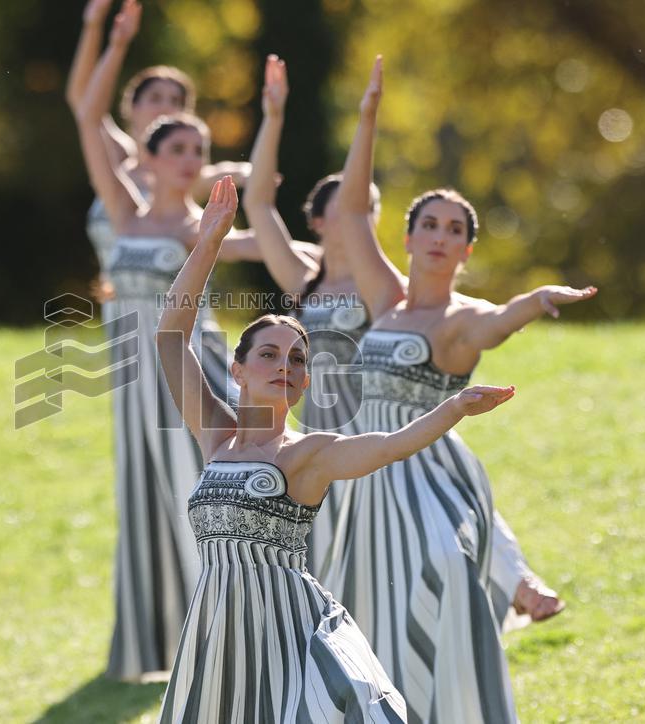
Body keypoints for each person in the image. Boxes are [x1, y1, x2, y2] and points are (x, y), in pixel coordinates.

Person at [156, 176, 517, 722]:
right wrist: (209, 244)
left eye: (297, 360)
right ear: (238, 370)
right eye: (269, 355)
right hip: (217, 631)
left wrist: (453, 408)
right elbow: (169, 337)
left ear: (305, 383)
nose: (284, 365)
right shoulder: (215, 436)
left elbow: (390, 445)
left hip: (289, 635)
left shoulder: (308, 454)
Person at [242, 54, 565, 632]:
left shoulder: (384, 287)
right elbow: (259, 204)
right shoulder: (303, 279)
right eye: (348, 210)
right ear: (320, 222)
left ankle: (513, 581)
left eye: (369, 210)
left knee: (442, 490)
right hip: (318, 431)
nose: (360, 218)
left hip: (380, 424)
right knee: (337, 566)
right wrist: (272, 116)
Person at [330, 56, 597, 722]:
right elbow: (350, 212)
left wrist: (536, 299)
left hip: (425, 477)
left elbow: (499, 321)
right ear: (409, 237)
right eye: (431, 224)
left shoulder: (462, 320)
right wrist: (367, 117)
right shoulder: (386, 299)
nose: (441, 237)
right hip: (362, 477)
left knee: (443, 574)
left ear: (467, 251)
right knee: (363, 612)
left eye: (456, 230)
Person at [74, 0, 264, 681]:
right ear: (147, 158)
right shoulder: (125, 214)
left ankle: (229, 629)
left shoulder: (195, 227)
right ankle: (156, 645)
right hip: (131, 370)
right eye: (176, 150)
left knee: (200, 486)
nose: (188, 161)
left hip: (188, 366)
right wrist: (111, 37)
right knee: (143, 493)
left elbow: (259, 243)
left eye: (196, 152)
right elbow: (87, 116)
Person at [66, 0, 251, 309]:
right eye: (155, 97)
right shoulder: (119, 158)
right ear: (131, 107)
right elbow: (83, 103)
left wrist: (252, 175)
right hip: (119, 303)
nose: (166, 106)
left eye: (176, 101)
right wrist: (95, 26)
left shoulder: (189, 173)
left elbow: (238, 174)